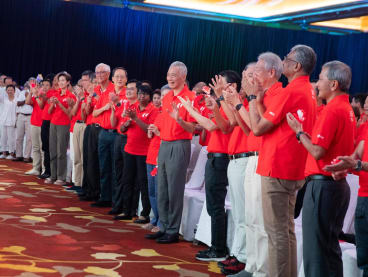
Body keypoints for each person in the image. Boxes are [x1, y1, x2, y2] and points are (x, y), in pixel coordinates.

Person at [246, 45, 317, 277]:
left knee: (276, 233)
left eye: (287, 59)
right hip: (293, 168)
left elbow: (258, 129)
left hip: (277, 167)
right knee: (286, 231)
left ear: (296, 66)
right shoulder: (307, 91)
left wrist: (253, 99)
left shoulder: (290, 91)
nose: (283, 61)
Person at [287, 61, 355, 277]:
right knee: (328, 249)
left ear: (333, 84)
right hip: (335, 185)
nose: (317, 84)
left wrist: (298, 133)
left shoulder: (332, 110)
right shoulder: (346, 108)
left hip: (323, 185)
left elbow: (317, 152)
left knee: (316, 251)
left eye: (322, 79)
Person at [144, 61, 196, 244]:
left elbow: (194, 127)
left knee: (174, 188)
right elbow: (162, 120)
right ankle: (163, 226)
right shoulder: (167, 98)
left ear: (183, 77)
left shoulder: (190, 97)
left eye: (174, 75)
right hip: (164, 144)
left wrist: (180, 120)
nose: (170, 78)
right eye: (168, 75)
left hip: (180, 144)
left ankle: (173, 230)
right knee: (162, 187)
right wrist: (153, 129)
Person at [114, 85, 159, 221]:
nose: (140, 97)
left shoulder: (153, 110)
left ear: (149, 97)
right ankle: (127, 210)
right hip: (129, 149)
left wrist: (136, 119)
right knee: (127, 180)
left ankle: (144, 214)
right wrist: (125, 125)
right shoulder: (133, 109)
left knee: (142, 183)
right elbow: (122, 129)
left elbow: (148, 130)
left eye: (144, 94)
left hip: (143, 152)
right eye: (139, 94)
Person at [87, 63, 116, 206]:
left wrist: (103, 109)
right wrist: (104, 108)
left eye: (102, 72)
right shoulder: (97, 89)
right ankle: (98, 193)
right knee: (98, 163)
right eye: (97, 73)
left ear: (108, 74)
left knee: (110, 166)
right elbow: (94, 112)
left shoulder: (113, 89)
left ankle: (108, 196)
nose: (98, 75)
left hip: (111, 131)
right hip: (98, 128)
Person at [109, 79, 139, 215]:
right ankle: (117, 204)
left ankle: (128, 208)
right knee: (118, 172)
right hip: (119, 138)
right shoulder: (123, 103)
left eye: (132, 89)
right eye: (128, 89)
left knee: (128, 176)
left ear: (138, 92)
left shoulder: (138, 107)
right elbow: (113, 122)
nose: (128, 91)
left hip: (130, 140)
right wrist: (112, 109)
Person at [45, 72, 76, 185]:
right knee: (52, 150)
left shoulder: (71, 96)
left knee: (61, 152)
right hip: (53, 123)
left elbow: (70, 114)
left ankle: (61, 177)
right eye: (60, 80)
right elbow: (49, 112)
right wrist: (53, 104)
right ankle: (53, 176)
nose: (61, 82)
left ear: (68, 82)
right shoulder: (55, 94)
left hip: (64, 124)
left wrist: (60, 104)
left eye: (63, 80)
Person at [25, 80, 46, 175]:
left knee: (42, 148)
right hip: (34, 123)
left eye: (39, 87)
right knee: (35, 147)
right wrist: (30, 92)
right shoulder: (35, 94)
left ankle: (44, 169)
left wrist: (37, 94)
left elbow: (41, 106)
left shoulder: (44, 95)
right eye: (37, 86)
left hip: (42, 124)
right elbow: (27, 102)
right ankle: (36, 168)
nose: (38, 88)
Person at [14, 80, 34, 162]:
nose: (30, 85)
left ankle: (27, 156)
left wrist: (28, 99)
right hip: (21, 115)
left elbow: (33, 103)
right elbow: (18, 103)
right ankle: (19, 155)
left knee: (29, 138)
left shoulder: (35, 93)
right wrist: (26, 99)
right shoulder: (23, 92)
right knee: (19, 136)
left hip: (30, 116)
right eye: (29, 83)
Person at [0, 85, 17, 159]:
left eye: (11, 90)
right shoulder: (4, 99)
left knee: (11, 138)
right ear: (6, 91)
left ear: (14, 91)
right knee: (3, 137)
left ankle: (11, 153)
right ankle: (4, 152)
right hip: (4, 121)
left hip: (12, 121)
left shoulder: (17, 100)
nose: (10, 91)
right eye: (8, 90)